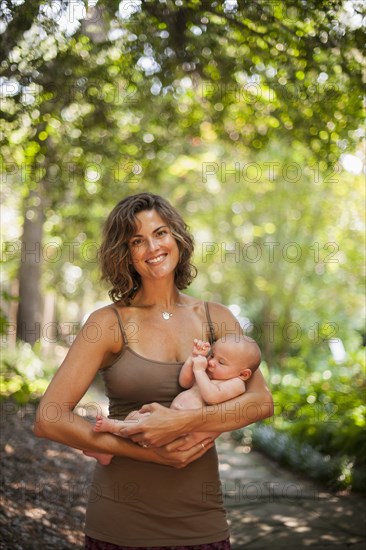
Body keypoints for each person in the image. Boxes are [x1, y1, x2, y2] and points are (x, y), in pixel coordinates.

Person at [34, 192, 273, 550]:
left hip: (201, 523)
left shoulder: (216, 317)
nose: (152, 247)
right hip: (119, 525)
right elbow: (49, 418)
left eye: (160, 233)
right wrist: (152, 452)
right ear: (125, 253)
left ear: (176, 237)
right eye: (137, 240)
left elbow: (260, 403)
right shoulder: (108, 322)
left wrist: (179, 422)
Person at [87, 334, 261, 464]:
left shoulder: (236, 384)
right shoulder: (208, 374)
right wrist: (193, 359)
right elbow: (184, 382)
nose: (211, 362)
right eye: (212, 355)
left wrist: (200, 371)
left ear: (243, 374)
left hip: (186, 431)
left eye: (221, 362)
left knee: (142, 426)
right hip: (170, 419)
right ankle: (108, 452)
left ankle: (113, 428)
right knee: (135, 417)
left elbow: (212, 397)